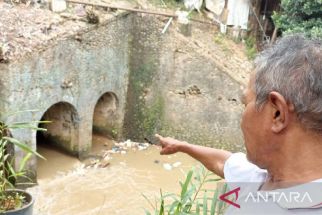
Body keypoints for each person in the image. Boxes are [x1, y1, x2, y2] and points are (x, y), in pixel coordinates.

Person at [155, 35, 322, 214]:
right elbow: (223, 162)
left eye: (245, 104)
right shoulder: (262, 178)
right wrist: (183, 147)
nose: (241, 119)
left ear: (277, 113)